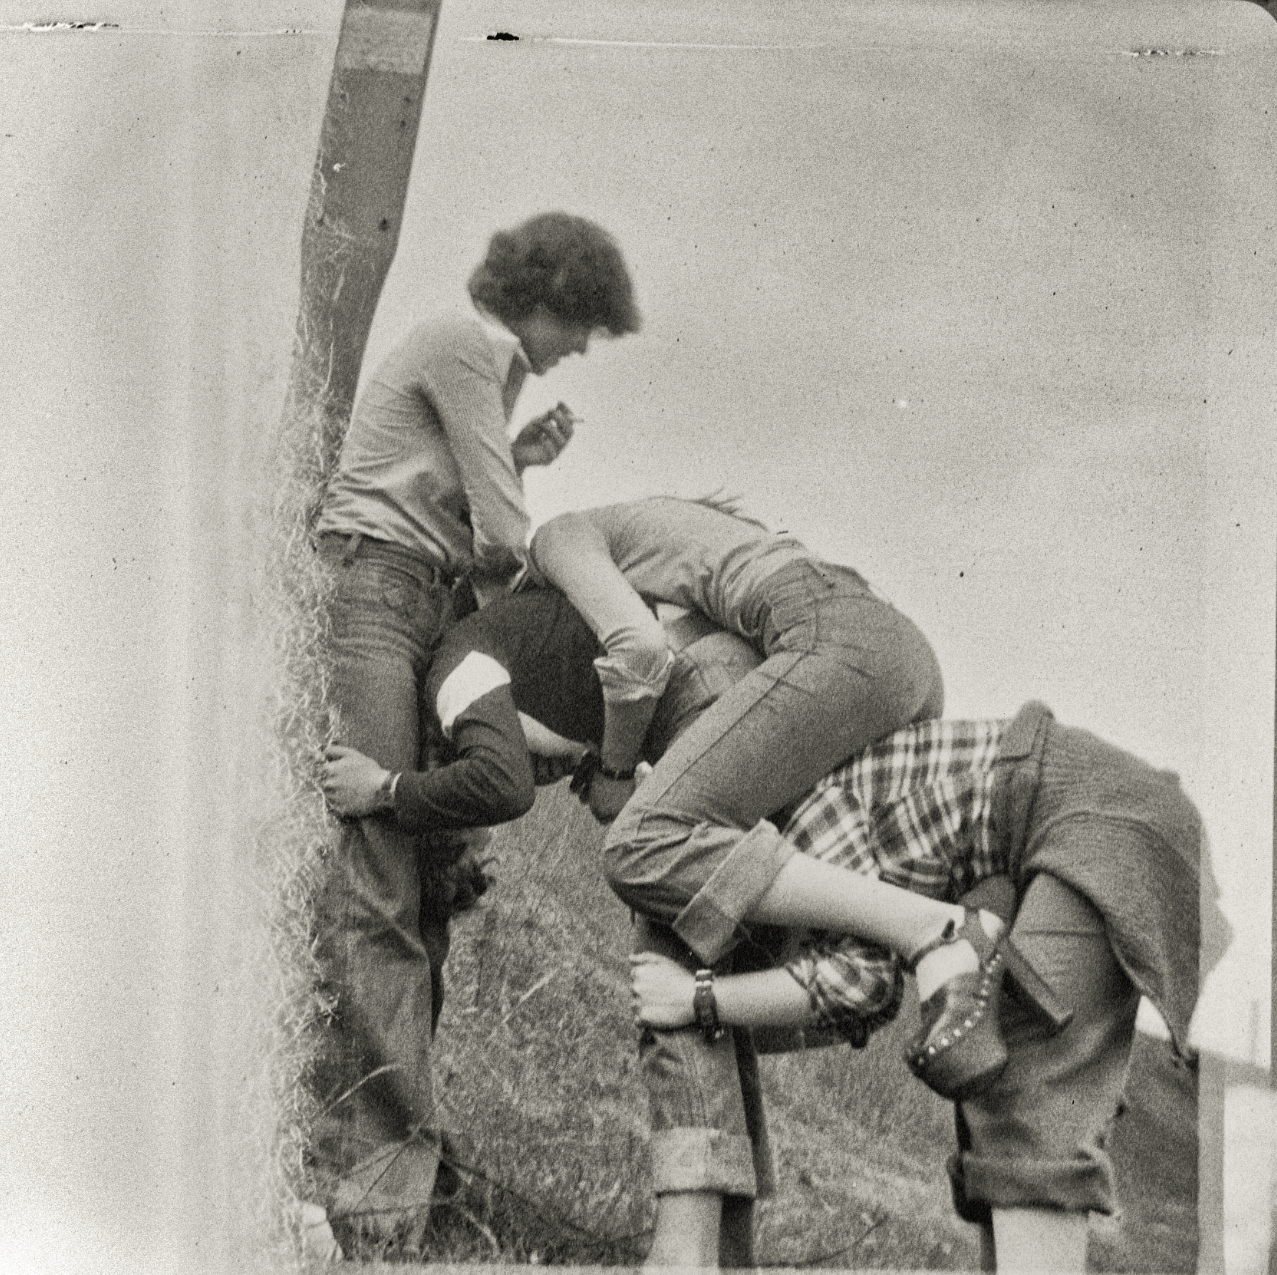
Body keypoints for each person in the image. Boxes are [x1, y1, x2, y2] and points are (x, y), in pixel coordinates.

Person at [308, 211, 640, 1239]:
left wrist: (518, 462)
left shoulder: (482, 368)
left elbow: (453, 506)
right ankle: (378, 1191)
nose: (579, 347)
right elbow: (498, 534)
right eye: (580, 324)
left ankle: (387, 1163)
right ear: (544, 302)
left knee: (419, 876)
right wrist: (584, 601)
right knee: (380, 877)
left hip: (408, 590)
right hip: (380, 595)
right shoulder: (469, 344)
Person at [630, 704, 1230, 1272]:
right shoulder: (796, 813)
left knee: (1029, 1099)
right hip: (1085, 816)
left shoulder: (814, 814)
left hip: (1098, 813)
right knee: (993, 1088)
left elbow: (863, 984)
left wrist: (700, 1000)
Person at [528, 497, 1068, 1105]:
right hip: (882, 658)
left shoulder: (557, 538)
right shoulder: (677, 547)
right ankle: (955, 964)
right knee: (769, 946)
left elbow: (639, 652)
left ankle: (938, 931)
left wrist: (614, 769)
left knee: (645, 841)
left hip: (832, 638)